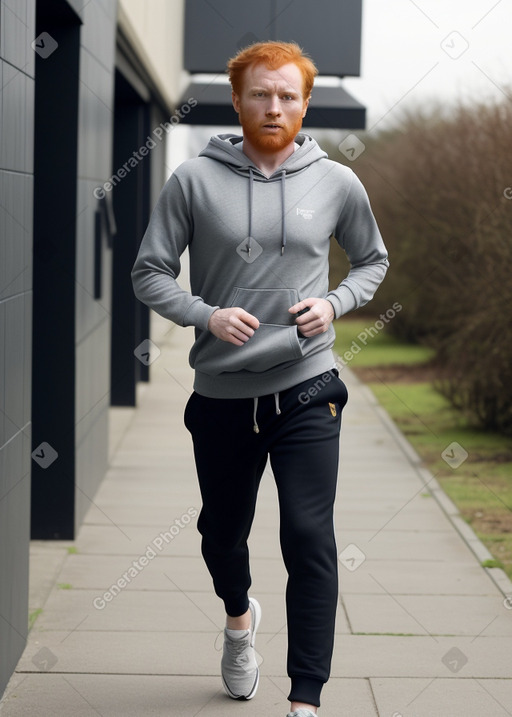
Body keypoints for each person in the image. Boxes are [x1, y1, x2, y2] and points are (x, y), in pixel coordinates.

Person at [132, 41, 388, 717]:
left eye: (287, 95)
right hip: (221, 395)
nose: (273, 106)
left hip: (307, 387)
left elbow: (372, 260)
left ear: (305, 102)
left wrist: (333, 302)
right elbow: (148, 272)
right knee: (222, 533)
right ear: (237, 98)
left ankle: (306, 698)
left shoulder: (336, 182)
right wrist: (206, 315)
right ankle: (239, 617)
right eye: (259, 94)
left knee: (308, 536)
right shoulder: (192, 179)